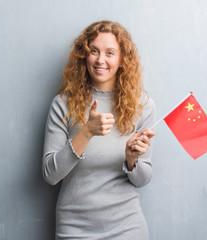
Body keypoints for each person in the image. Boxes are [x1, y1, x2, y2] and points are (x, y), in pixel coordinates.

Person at [42, 20, 157, 239]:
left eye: (110, 53)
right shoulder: (63, 104)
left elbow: (142, 180)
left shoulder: (143, 106)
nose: (100, 60)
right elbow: (50, 175)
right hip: (74, 228)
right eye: (94, 51)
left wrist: (132, 160)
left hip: (127, 228)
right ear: (84, 56)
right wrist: (86, 132)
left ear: (122, 59)